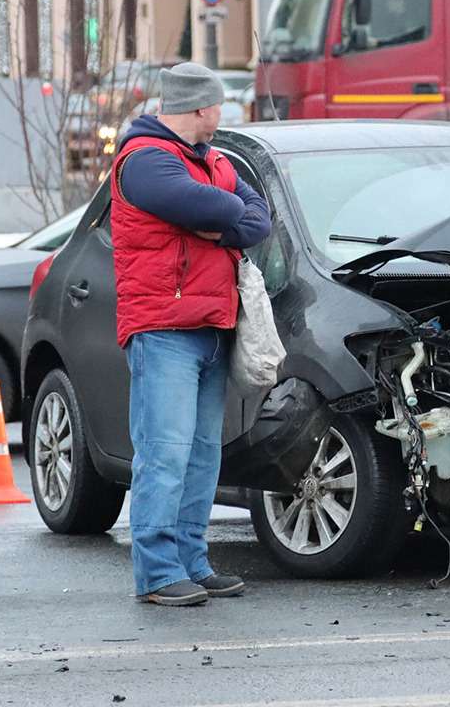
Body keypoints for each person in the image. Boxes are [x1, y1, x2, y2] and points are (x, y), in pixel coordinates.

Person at [109, 62, 272, 606]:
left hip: (214, 326)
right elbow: (222, 206)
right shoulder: (146, 160)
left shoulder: (215, 160)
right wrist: (225, 213)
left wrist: (220, 219)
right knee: (165, 453)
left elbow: (258, 216)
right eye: (218, 106)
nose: (220, 114)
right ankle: (157, 573)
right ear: (202, 107)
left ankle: (192, 563)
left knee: (203, 454)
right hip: (164, 329)